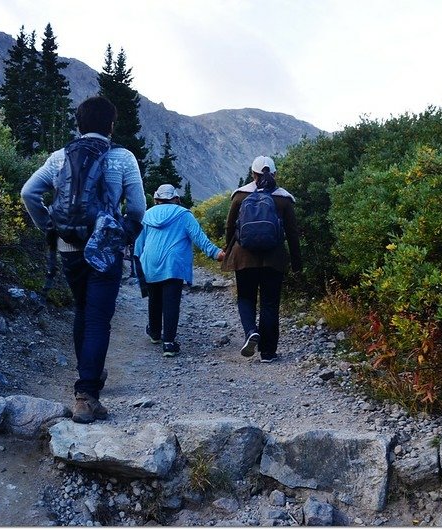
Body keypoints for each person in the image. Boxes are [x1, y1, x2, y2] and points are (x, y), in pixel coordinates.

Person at [20, 96, 146, 423]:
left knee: (82, 312)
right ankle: (87, 395)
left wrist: (51, 229)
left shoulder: (59, 157)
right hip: (105, 251)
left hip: (69, 249)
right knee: (98, 319)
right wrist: (123, 233)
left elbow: (28, 193)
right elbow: (137, 209)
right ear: (112, 126)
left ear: (78, 124)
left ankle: (86, 388)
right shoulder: (122, 158)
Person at [221, 156, 301, 363]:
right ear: (274, 174)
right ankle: (268, 352)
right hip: (274, 259)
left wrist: (229, 251)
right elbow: (292, 233)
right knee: (270, 303)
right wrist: (296, 261)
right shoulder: (283, 198)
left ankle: (250, 332)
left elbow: (230, 228)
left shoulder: (240, 196)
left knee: (246, 298)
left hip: (243, 256)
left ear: (252, 174)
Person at [133, 184, 225, 357]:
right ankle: (168, 342)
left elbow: (139, 244)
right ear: (176, 199)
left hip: (150, 262)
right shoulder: (184, 215)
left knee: (154, 298)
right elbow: (199, 238)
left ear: (156, 199)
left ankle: (154, 333)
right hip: (174, 263)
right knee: (171, 302)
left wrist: (137, 264)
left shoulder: (147, 215)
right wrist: (216, 253)